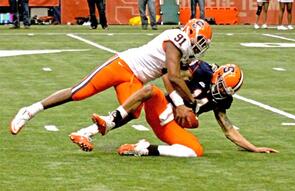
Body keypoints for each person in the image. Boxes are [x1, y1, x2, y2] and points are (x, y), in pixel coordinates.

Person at [10, 19, 212, 140]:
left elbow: (169, 77)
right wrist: (189, 102)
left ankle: (86, 132)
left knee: (133, 112)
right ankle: (29, 111)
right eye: (201, 40)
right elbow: (175, 77)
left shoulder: (185, 52)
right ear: (190, 32)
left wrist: (180, 103)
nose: (200, 46)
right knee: (79, 92)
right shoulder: (176, 38)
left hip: (134, 79)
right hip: (122, 65)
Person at [70, 61, 278, 157]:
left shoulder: (223, 100)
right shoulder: (202, 71)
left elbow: (228, 129)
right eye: (221, 86)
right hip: (163, 107)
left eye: (227, 90)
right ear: (216, 77)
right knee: (149, 90)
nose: (221, 92)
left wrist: (254, 148)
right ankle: (92, 129)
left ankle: (143, 149)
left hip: (170, 126)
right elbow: (168, 75)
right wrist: (179, 104)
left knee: (195, 151)